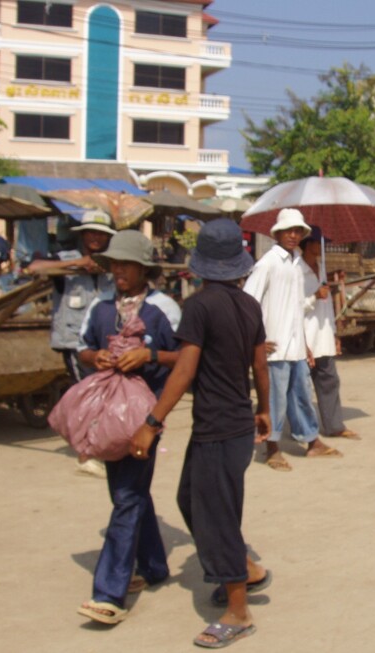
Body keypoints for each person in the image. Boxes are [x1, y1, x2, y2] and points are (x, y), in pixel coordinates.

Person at [131, 218, 271, 649]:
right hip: (234, 425)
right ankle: (245, 568)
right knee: (190, 499)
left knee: (215, 517)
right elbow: (259, 364)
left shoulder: (199, 305)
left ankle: (237, 611)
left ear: (201, 265)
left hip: (218, 427)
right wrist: (264, 409)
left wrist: (151, 423)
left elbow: (187, 367)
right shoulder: (248, 305)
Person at [75, 230, 181, 626]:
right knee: (130, 492)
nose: (117, 271)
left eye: (125, 264)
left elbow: (187, 357)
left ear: (144, 269)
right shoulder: (100, 309)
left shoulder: (163, 309)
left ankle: (108, 594)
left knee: (125, 497)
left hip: (145, 419)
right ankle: (152, 567)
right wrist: (95, 356)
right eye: (112, 264)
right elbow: (80, 348)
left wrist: (150, 354)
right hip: (107, 417)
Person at [243, 208, 341, 472]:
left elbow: (296, 307)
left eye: (298, 231)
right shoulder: (267, 263)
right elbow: (248, 302)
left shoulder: (296, 265)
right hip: (274, 346)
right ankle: (272, 447)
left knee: (301, 396)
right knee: (274, 399)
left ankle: (312, 441)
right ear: (278, 233)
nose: (294, 235)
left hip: (295, 345)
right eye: (289, 230)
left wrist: (306, 344)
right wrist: (257, 341)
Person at [27, 210, 116, 478]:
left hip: (106, 342)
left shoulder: (112, 264)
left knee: (106, 397)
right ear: (82, 234)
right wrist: (80, 263)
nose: (96, 237)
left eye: (101, 233)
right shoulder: (63, 259)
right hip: (74, 341)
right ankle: (86, 454)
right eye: (91, 232)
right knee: (86, 396)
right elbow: (34, 269)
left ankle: (100, 447)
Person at [298, 226, 359, 440]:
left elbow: (327, 307)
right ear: (308, 244)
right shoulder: (296, 270)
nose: (321, 246)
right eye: (317, 242)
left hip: (322, 335)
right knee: (301, 388)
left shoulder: (321, 267)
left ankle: (334, 426)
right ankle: (304, 432)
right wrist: (314, 296)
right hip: (304, 337)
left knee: (330, 381)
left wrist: (334, 334)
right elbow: (294, 306)